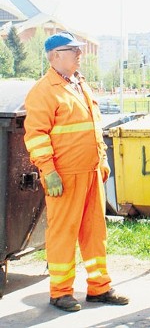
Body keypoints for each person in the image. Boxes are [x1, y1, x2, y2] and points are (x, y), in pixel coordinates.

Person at [23, 32, 129, 312]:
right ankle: (60, 292)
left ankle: (99, 287)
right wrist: (49, 170)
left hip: (91, 172)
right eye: (73, 50)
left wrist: (102, 160)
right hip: (64, 175)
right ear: (54, 55)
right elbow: (36, 135)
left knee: (95, 232)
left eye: (79, 49)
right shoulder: (44, 90)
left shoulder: (81, 84)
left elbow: (94, 127)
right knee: (63, 233)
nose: (79, 53)